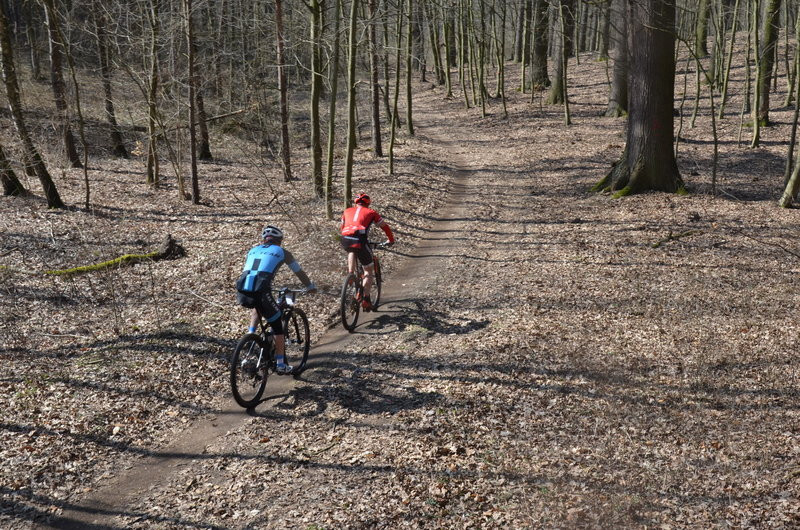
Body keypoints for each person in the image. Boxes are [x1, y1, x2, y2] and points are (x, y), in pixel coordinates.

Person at [236, 225, 316, 374]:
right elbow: (298, 271)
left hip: (242, 290)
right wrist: (310, 286)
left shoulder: (253, 250)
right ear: (279, 240)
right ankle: (280, 364)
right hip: (261, 289)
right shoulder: (282, 252)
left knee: (258, 306)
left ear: (264, 239)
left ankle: (251, 335)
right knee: (278, 326)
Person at [340, 193, 395, 311]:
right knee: (368, 270)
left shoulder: (346, 211)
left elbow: (342, 227)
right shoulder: (371, 212)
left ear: (356, 203)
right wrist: (391, 239)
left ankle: (350, 274)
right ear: (368, 203)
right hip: (360, 240)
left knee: (351, 249)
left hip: (345, 238)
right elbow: (385, 227)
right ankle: (366, 299)